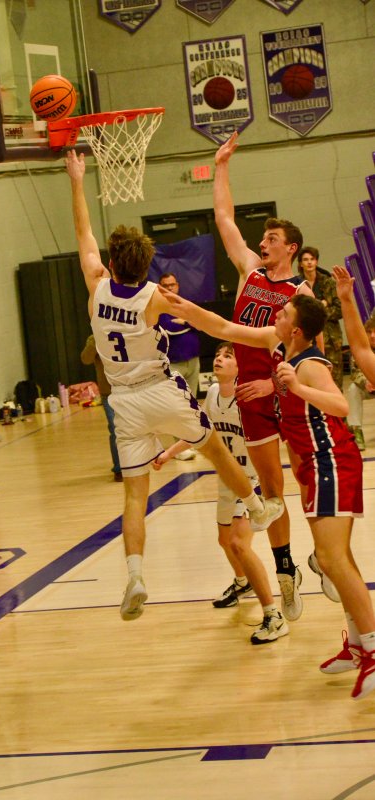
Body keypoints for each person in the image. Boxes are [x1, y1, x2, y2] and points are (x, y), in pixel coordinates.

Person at [65, 149, 284, 623]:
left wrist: (77, 180)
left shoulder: (95, 283)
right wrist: (257, 335)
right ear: (145, 266)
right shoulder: (156, 297)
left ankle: (136, 575)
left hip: (121, 401)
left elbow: (82, 232)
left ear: (110, 261)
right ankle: (256, 508)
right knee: (216, 450)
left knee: (133, 496)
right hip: (159, 389)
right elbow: (212, 325)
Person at [160, 288, 375, 700]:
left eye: (283, 312)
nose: (276, 314)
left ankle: (372, 649)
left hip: (331, 459)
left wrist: (295, 387)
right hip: (313, 466)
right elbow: (223, 327)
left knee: (331, 558)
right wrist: (180, 305)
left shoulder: (308, 364)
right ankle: (357, 645)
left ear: (295, 329)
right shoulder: (280, 347)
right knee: (336, 559)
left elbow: (339, 407)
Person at [214, 131, 315, 623]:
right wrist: (221, 166)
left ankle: (323, 552)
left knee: (309, 480)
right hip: (250, 398)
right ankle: (286, 572)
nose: (262, 243)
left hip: (282, 393)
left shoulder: (301, 292)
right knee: (272, 495)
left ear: (290, 248)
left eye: (271, 239)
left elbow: (302, 357)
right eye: (263, 239)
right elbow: (224, 219)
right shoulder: (249, 271)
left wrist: (273, 384)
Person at [155, 341, 289, 645]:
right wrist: (168, 452)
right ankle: (243, 583)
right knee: (223, 541)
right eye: (217, 355)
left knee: (240, 544)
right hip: (227, 481)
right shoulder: (213, 393)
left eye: (228, 356)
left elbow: (277, 431)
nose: (219, 359)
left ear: (241, 367)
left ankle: (273, 614)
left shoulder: (249, 398)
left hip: (251, 480)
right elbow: (200, 432)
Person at [158, 272, 201, 461]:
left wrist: (188, 322)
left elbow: (200, 324)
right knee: (177, 405)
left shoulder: (185, 304)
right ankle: (178, 448)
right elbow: (169, 329)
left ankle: (191, 441)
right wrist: (188, 322)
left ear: (178, 285)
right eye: (165, 286)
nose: (169, 288)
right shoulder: (158, 307)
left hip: (194, 360)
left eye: (172, 285)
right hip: (174, 363)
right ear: (160, 287)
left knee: (192, 404)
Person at [298, 246, 344, 388]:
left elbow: (340, 310)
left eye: (312, 259)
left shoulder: (328, 282)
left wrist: (318, 310)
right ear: (300, 264)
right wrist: (322, 305)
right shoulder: (298, 285)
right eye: (305, 260)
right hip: (308, 340)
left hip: (331, 340)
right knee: (312, 383)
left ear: (317, 262)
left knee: (335, 382)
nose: (309, 262)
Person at [81, 333, 122, 481]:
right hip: (108, 393)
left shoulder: (124, 332)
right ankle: (119, 469)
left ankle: (137, 463)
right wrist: (95, 341)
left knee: (136, 428)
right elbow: (85, 359)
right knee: (115, 429)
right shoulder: (94, 338)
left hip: (129, 389)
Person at [345, 317, 375, 452]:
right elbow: (355, 372)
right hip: (369, 387)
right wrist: (366, 382)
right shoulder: (360, 348)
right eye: (369, 332)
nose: (373, 335)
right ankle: (356, 431)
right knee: (353, 389)